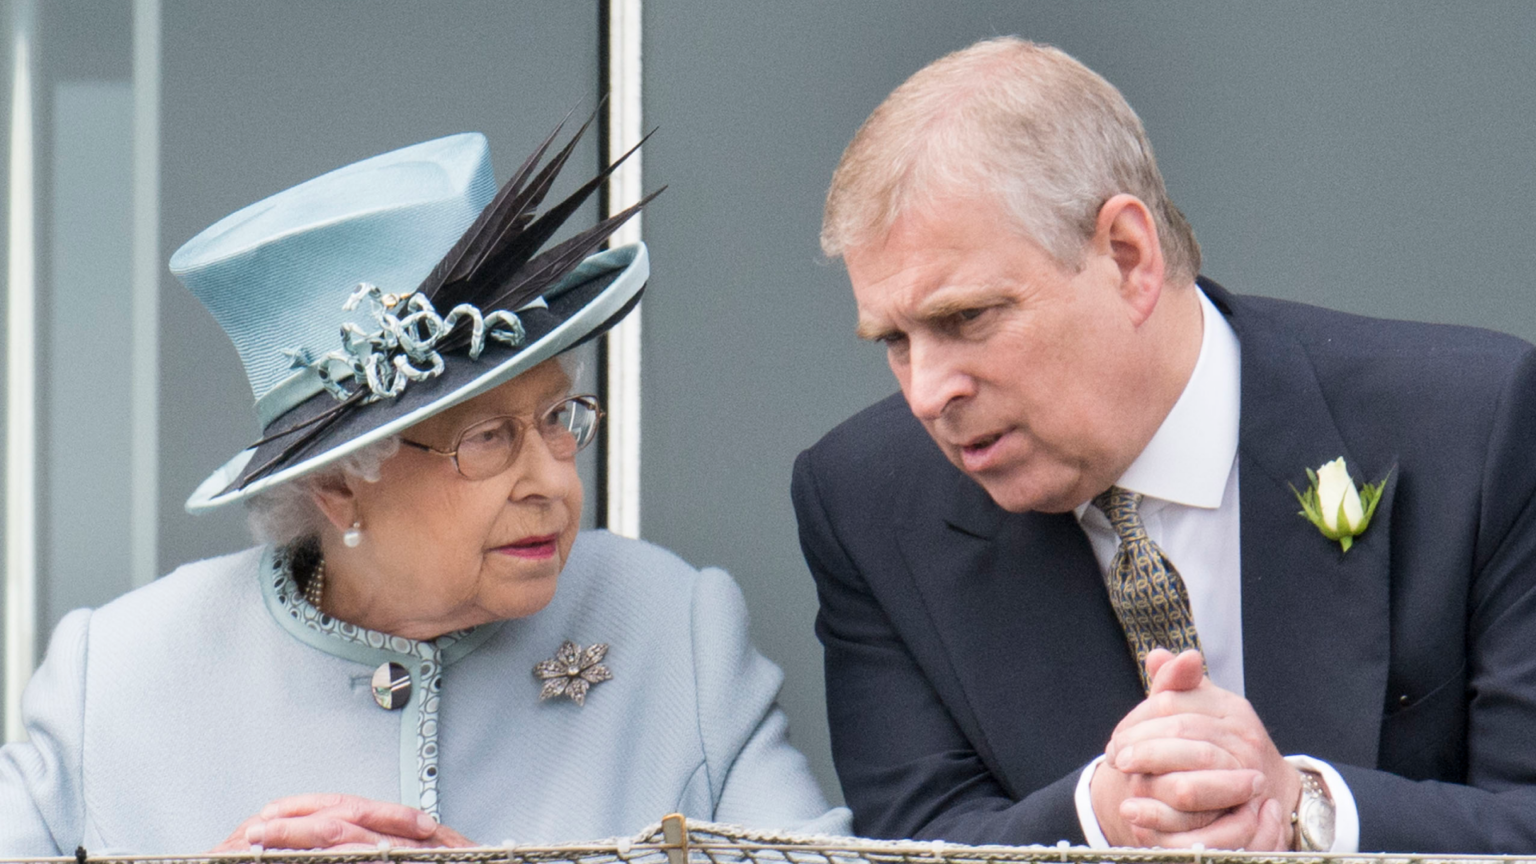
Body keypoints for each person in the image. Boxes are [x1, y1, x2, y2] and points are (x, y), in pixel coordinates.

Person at [0, 124, 849, 855]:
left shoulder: (671, 627)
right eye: (488, 438)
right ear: (337, 484)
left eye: (557, 416)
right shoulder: (116, 675)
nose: (551, 479)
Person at [793, 35, 1536, 855]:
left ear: (1128, 257)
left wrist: (1305, 809)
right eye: (893, 341)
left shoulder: (1479, 425)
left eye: (967, 319)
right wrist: (1101, 817)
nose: (929, 392)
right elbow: (915, 839)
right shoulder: (864, 503)